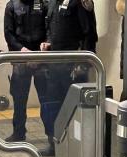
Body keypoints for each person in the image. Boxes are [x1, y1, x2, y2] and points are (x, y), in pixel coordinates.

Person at [4, 0, 56, 155]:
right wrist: (22, 50)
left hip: (41, 60)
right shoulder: (11, 5)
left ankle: (51, 137)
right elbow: (9, 33)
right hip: (21, 58)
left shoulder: (44, 3)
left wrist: (45, 48)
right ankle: (18, 133)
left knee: (46, 100)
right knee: (19, 99)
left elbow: (50, 29)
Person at [41, 0, 98, 130]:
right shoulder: (52, 3)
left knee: (74, 109)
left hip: (73, 68)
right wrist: (48, 42)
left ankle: (74, 146)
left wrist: (83, 64)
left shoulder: (80, 2)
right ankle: (54, 144)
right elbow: (50, 28)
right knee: (53, 108)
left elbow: (89, 34)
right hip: (54, 66)